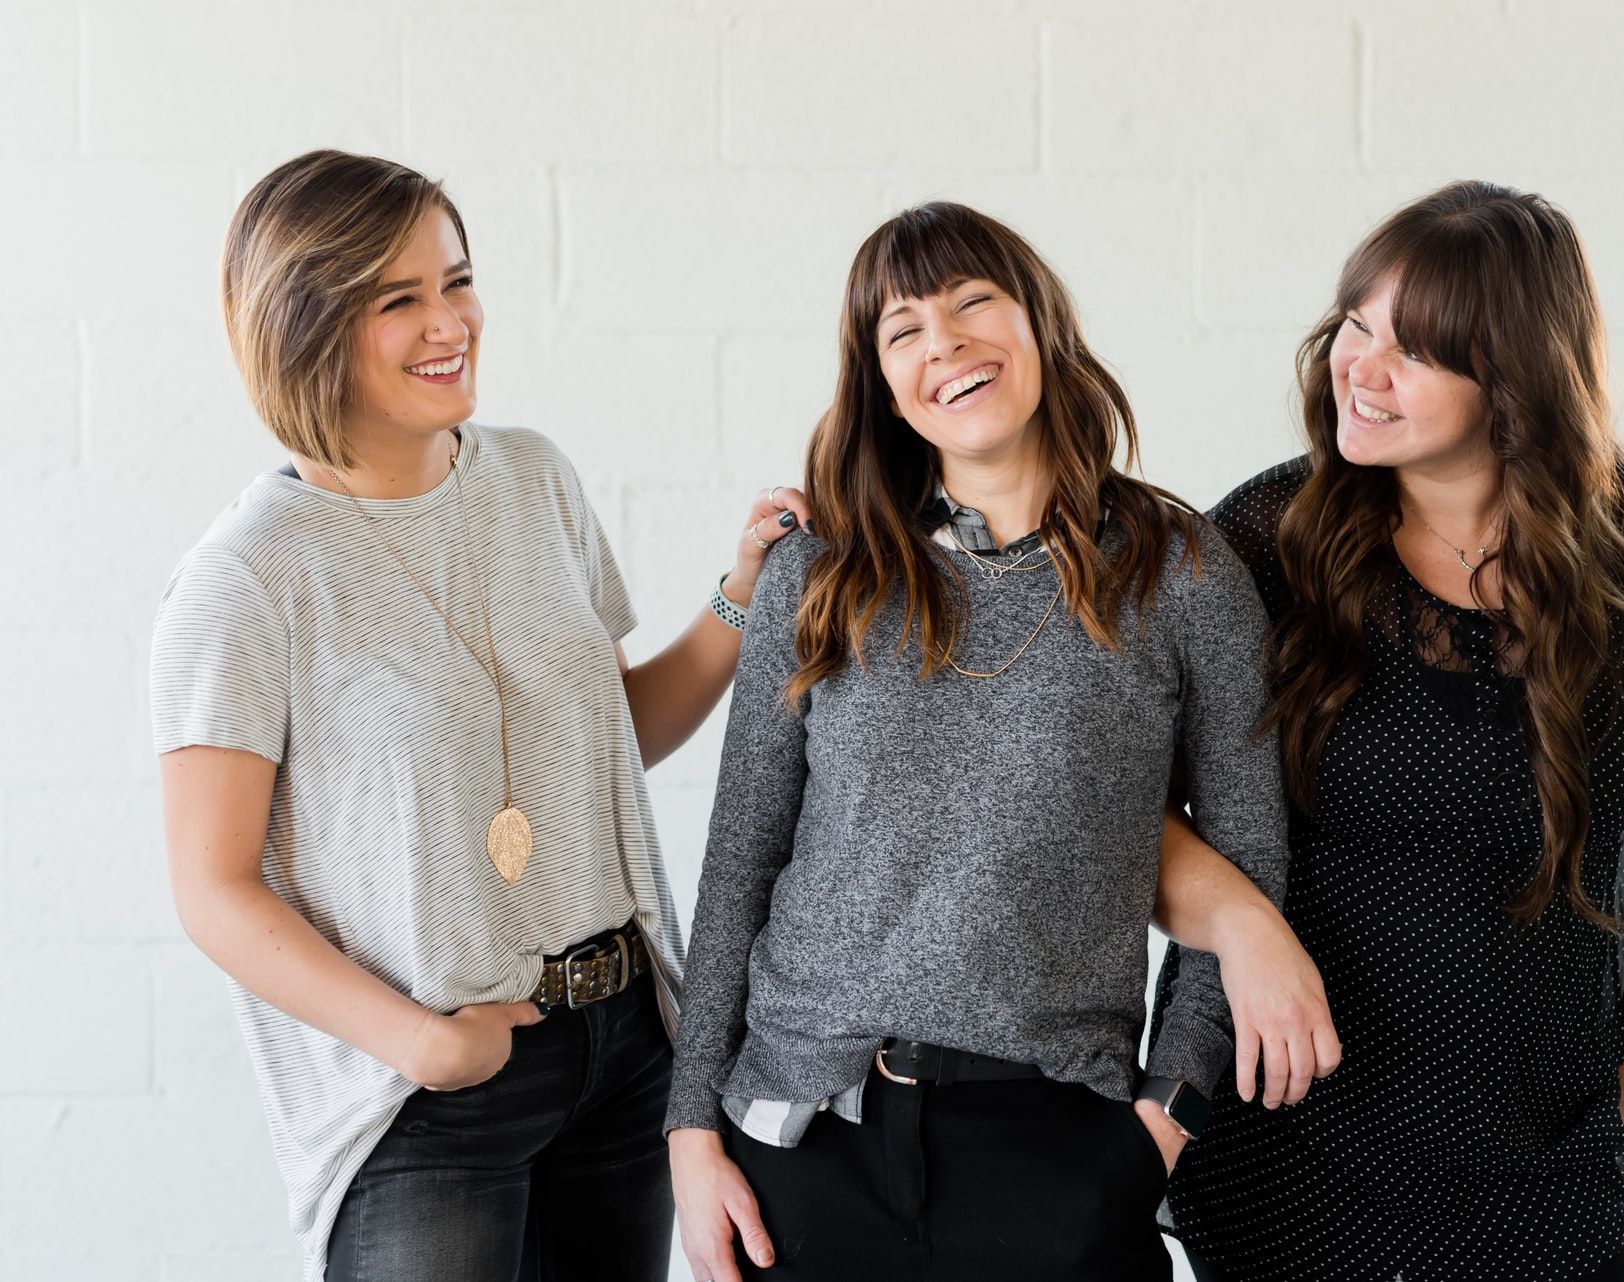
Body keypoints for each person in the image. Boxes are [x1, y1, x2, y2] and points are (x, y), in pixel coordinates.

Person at [150, 149, 808, 1282]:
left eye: (456, 281)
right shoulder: (247, 577)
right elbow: (212, 889)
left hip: (623, 1049)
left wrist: (739, 595)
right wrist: (422, 1043)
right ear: (305, 326)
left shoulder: (534, 478)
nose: (449, 321)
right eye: (397, 299)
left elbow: (609, 742)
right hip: (427, 1094)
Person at [663, 201, 1335, 1282]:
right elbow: (742, 853)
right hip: (800, 1147)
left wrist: (1159, 1128)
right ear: (882, 383)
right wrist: (692, 1132)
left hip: (1060, 1154)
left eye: (976, 302)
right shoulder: (820, 575)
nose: (948, 344)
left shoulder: (1184, 573)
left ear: (1041, 325)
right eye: (906, 330)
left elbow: (1249, 863)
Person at [1152, 180, 1624, 1282]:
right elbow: (1106, 804)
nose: (1361, 367)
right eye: (1356, 324)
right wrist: (1243, 924)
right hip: (1294, 1152)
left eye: (1416, 350)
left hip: (1543, 1155)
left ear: (1517, 381)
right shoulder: (1260, 540)